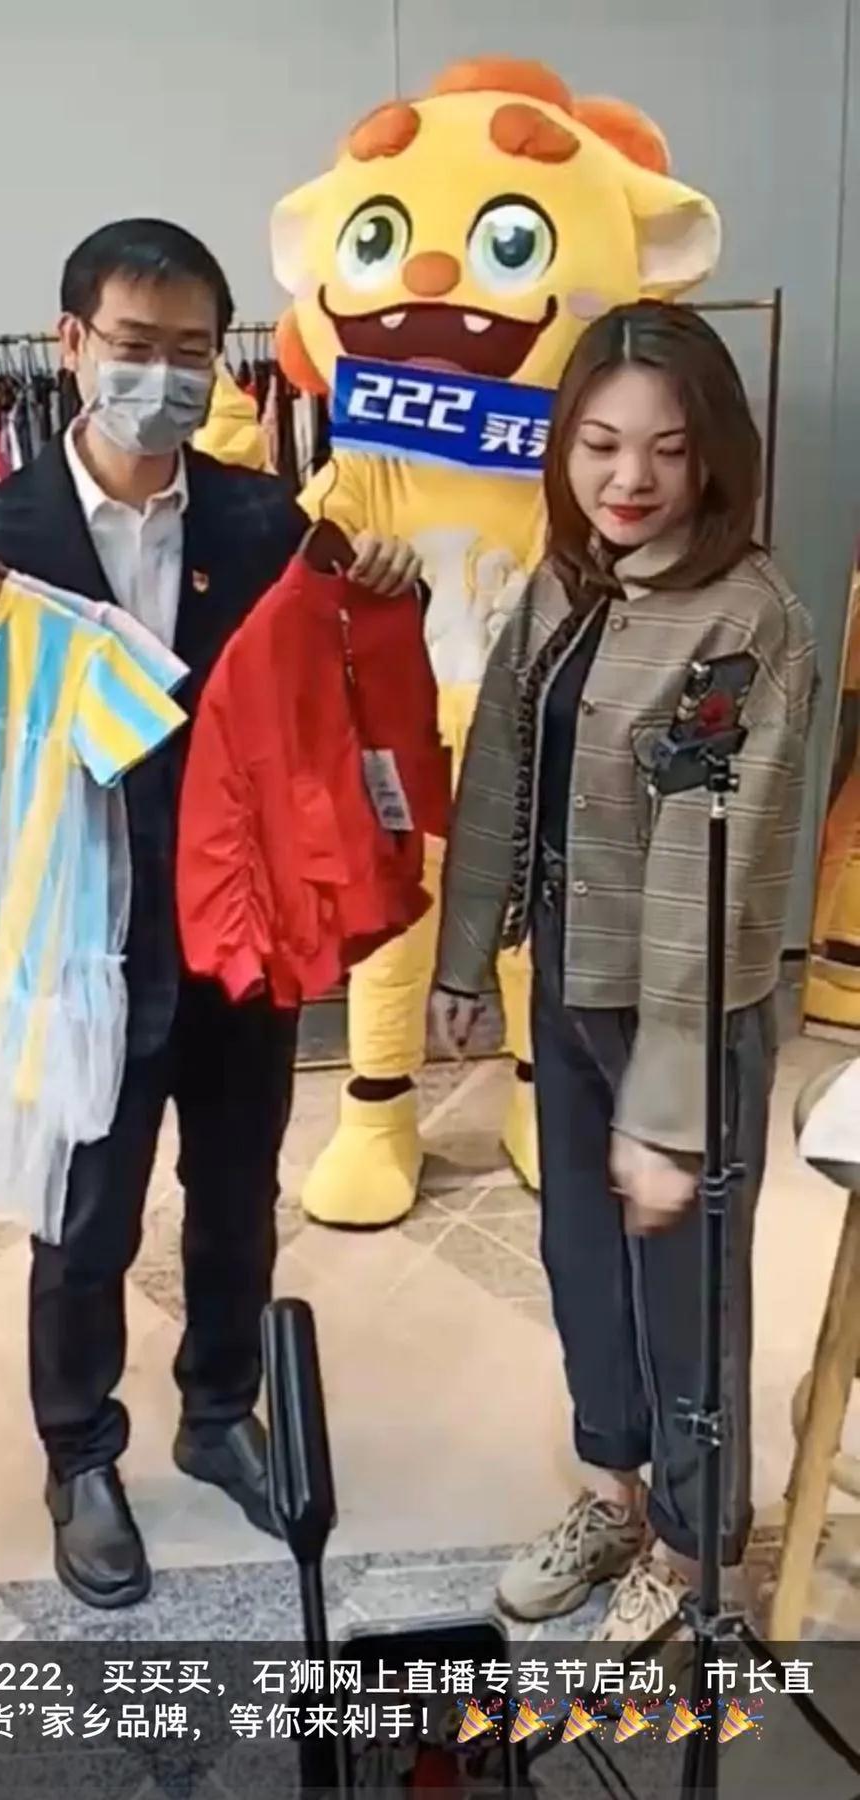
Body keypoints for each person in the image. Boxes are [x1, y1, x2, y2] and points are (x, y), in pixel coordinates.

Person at [0, 218, 421, 1611]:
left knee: (237, 1194)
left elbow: (329, 678)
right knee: (83, 1217)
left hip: (234, 931)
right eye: (136, 345)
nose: (164, 377)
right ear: (72, 344)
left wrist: (391, 582)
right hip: (73, 941)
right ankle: (79, 1455)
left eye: (193, 352)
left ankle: (218, 1410)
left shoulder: (263, 520)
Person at [431, 300, 816, 1643]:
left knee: (687, 1290)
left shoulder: (750, 617)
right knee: (583, 1256)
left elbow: (713, 859)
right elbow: (497, 769)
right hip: (568, 984)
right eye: (599, 445)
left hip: (684, 1015)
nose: (630, 478)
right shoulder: (564, 583)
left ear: (716, 456)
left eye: (666, 449)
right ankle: (614, 1495)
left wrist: (662, 1096)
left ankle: (699, 1553)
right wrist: (466, 955)